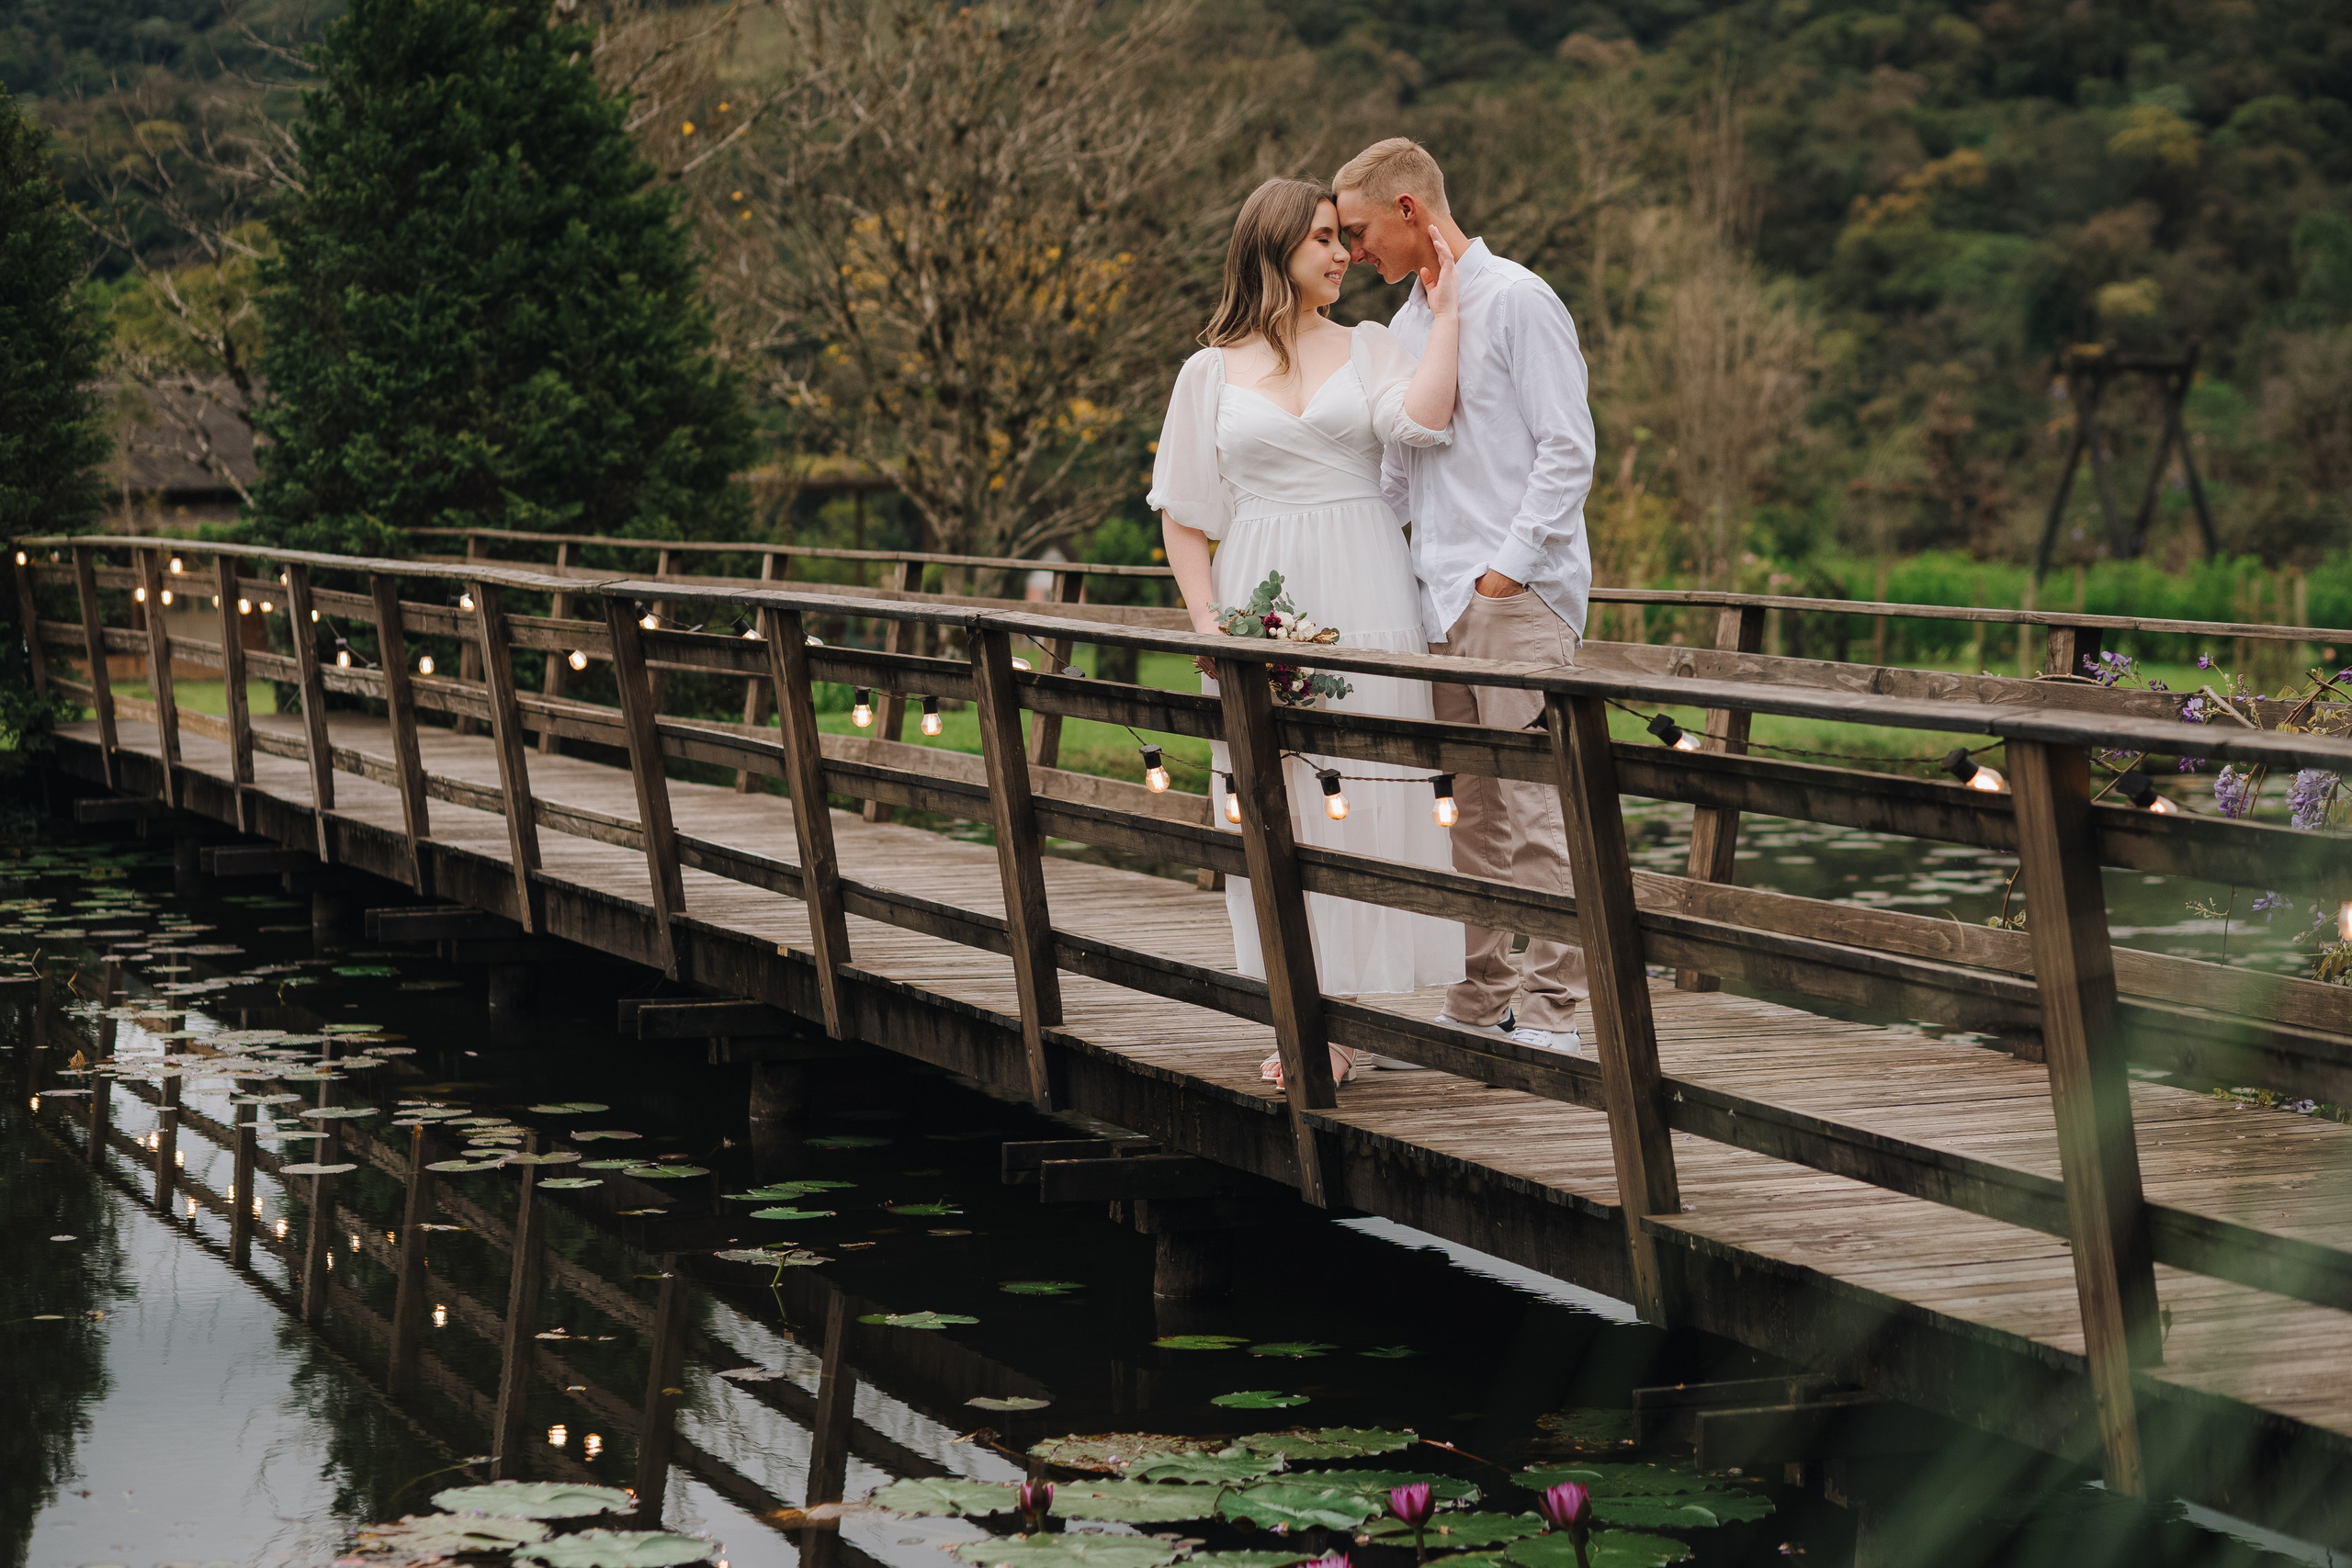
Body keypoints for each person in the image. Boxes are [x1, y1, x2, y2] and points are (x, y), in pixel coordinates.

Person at [1149, 176, 1465, 1088]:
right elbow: (1182, 516)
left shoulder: (1369, 346)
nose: (1341, 255)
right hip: (1260, 597)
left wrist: (1442, 318)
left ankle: (1348, 1016)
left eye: (1342, 238)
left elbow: (1425, 422)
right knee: (1272, 794)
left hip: (1365, 588)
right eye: (1323, 239)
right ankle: (1298, 1007)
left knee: (1361, 798)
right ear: (1273, 248)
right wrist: (1211, 622)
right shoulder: (1208, 371)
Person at [1334, 137, 1596, 1056]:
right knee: (1468, 815)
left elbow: (1568, 448)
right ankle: (1483, 1000)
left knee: (1537, 814)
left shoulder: (1518, 300)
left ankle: (1559, 1014)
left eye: (1359, 231)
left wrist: (1506, 570)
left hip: (1513, 603)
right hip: (1433, 603)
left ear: (1409, 210)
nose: (1350, 251)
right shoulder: (1408, 328)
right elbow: (1403, 481)